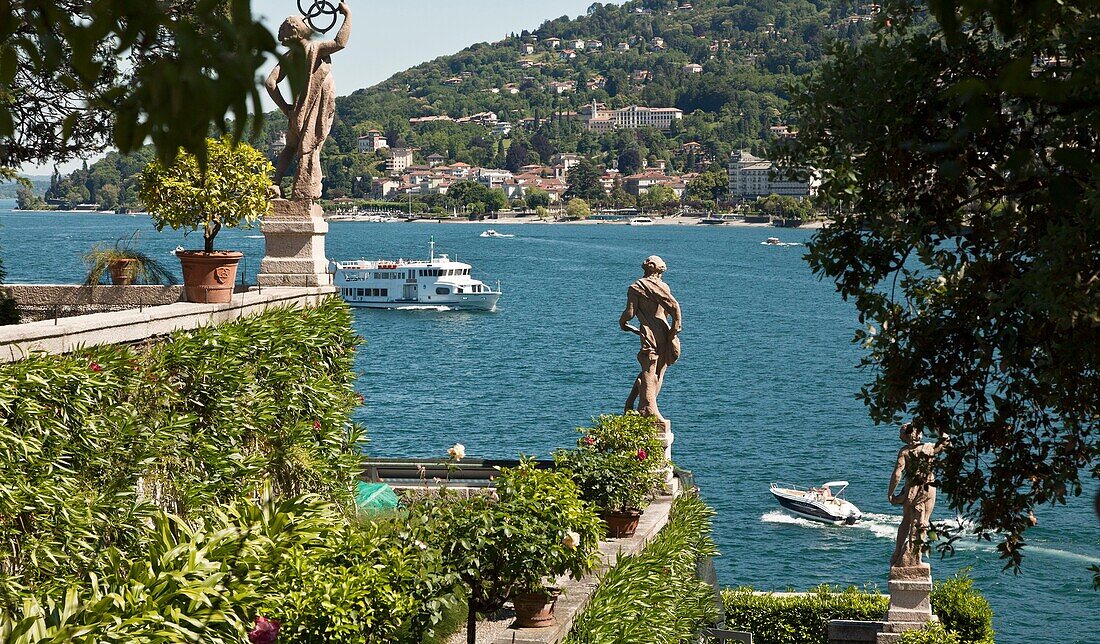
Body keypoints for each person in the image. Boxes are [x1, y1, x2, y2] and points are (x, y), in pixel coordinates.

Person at [265, 2, 352, 200]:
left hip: (297, 111)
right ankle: (304, 190)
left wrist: (286, 109)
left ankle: (275, 182)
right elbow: (340, 43)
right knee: (309, 149)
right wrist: (348, 16)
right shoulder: (314, 48)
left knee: (290, 146)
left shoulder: (289, 56)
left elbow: (270, 83)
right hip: (312, 110)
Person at [619, 255, 681, 425]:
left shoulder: (635, 287)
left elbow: (630, 313)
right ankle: (639, 405)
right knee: (657, 369)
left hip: (648, 331)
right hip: (663, 331)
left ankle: (645, 408)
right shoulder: (664, 287)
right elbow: (672, 309)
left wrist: (622, 322)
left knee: (649, 368)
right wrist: (675, 328)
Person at [887, 422, 948, 568]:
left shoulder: (905, 452)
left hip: (911, 489)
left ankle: (897, 553)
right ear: (918, 434)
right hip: (928, 488)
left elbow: (897, 474)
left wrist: (891, 494)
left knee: (906, 520)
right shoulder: (929, 448)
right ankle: (916, 557)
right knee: (923, 523)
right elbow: (946, 441)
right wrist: (935, 425)